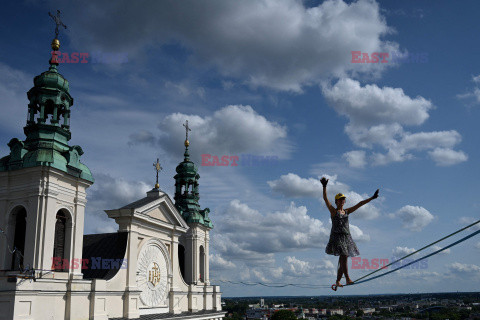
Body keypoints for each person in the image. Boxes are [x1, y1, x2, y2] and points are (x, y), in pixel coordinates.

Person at [320, 177, 379, 288]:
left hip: (347, 237)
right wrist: (324, 186)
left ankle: (338, 280)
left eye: (343, 199)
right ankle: (347, 278)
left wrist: (372, 198)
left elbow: (360, 203)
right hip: (337, 237)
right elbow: (325, 198)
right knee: (344, 256)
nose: (342, 201)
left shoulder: (347, 211)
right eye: (340, 199)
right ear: (336, 201)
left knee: (343, 259)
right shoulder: (333, 211)